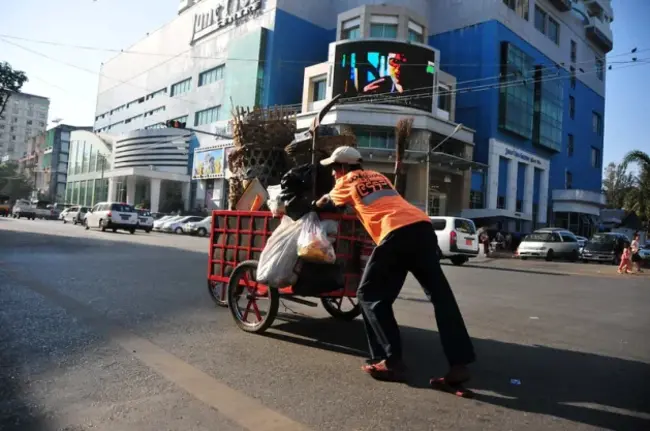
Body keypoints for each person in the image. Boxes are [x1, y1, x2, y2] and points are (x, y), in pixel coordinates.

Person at [315, 146, 475, 384]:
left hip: (396, 234)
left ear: (344, 167)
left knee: (368, 294)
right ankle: (458, 364)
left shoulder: (346, 181)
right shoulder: (379, 176)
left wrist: (312, 204)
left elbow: (326, 203)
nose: (332, 174)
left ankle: (391, 362)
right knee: (442, 298)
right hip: (422, 228)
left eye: (333, 169)